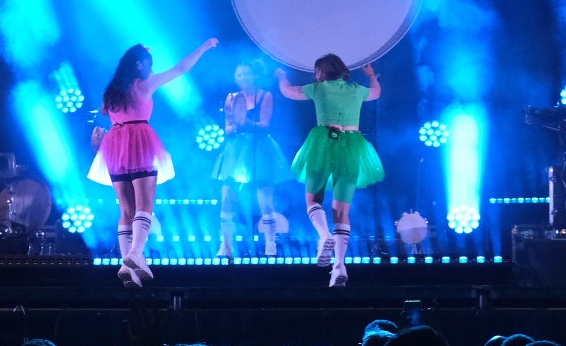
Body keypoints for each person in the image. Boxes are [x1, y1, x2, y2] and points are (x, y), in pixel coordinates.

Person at [88, 39, 218, 286]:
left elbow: (105, 111)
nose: (151, 68)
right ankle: (135, 254)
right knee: (145, 204)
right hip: (139, 141)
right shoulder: (143, 84)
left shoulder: (112, 90)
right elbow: (180, 70)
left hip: (115, 145)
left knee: (126, 209)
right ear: (138, 64)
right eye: (148, 63)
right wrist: (202, 48)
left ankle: (128, 265)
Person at [275, 55, 383, 287]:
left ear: (321, 72)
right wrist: (372, 75)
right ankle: (339, 266)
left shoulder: (318, 88)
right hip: (353, 145)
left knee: (313, 199)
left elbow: (288, 92)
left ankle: (324, 235)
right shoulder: (356, 89)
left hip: (324, 142)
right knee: (342, 210)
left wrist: (281, 76)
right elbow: (376, 93)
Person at [212, 60, 289, 258]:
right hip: (236, 150)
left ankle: (270, 243)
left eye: (246, 74)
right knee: (227, 198)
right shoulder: (231, 97)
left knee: (265, 200)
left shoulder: (265, 95)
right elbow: (227, 129)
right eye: (238, 75)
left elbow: (265, 125)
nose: (242, 78)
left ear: (254, 75)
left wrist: (246, 122)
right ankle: (225, 244)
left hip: (259, 148)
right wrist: (236, 126)